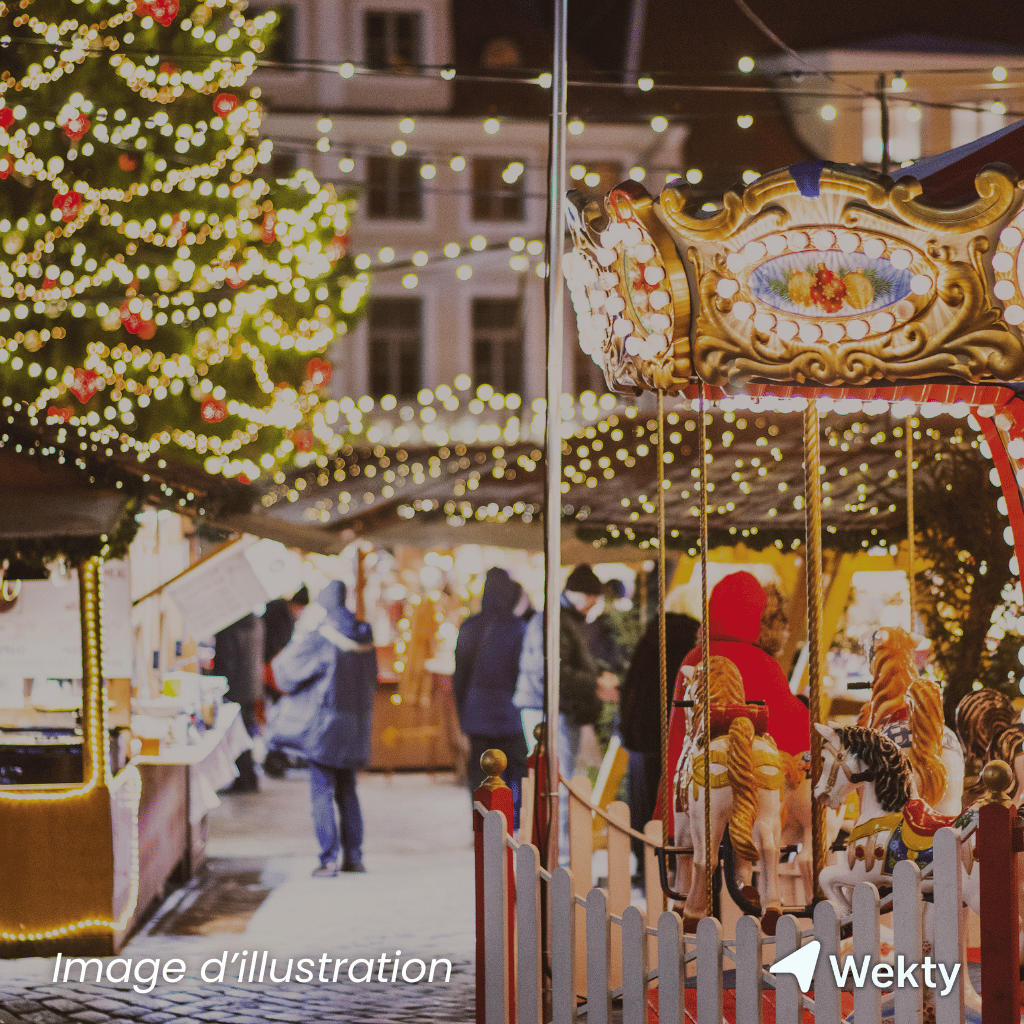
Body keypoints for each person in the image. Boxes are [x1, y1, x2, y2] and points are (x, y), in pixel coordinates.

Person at [664, 571, 810, 832]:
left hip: (694, 787)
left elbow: (678, 733)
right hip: (748, 791)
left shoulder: (693, 658)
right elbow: (789, 723)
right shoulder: (762, 664)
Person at [270, 580, 377, 876]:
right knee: (348, 791)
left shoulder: (321, 638)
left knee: (321, 791)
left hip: (325, 727)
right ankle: (354, 857)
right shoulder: (365, 637)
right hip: (356, 726)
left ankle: (328, 859)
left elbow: (285, 673)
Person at [618, 583, 700, 863]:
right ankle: (672, 862)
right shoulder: (693, 642)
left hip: (640, 733)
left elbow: (631, 686)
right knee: (671, 801)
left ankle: (644, 863)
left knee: (642, 801)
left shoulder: (651, 636)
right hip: (672, 731)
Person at [452, 567, 528, 822]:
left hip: (477, 712)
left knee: (481, 772)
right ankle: (512, 822)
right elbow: (522, 672)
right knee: (515, 770)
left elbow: (460, 676)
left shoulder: (470, 626)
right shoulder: (518, 628)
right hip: (510, 711)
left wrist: (463, 715)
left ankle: (483, 823)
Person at [213, 612, 265, 793]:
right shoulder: (256, 622)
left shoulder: (230, 626)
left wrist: (217, 684)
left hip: (235, 685)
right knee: (247, 731)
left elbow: (226, 660)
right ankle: (249, 777)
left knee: (238, 733)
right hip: (252, 684)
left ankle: (243, 779)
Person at [263, 585, 310, 698]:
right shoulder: (280, 615)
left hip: (269, 662)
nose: (301, 612)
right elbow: (276, 644)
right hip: (268, 663)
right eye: (301, 608)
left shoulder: (285, 613)